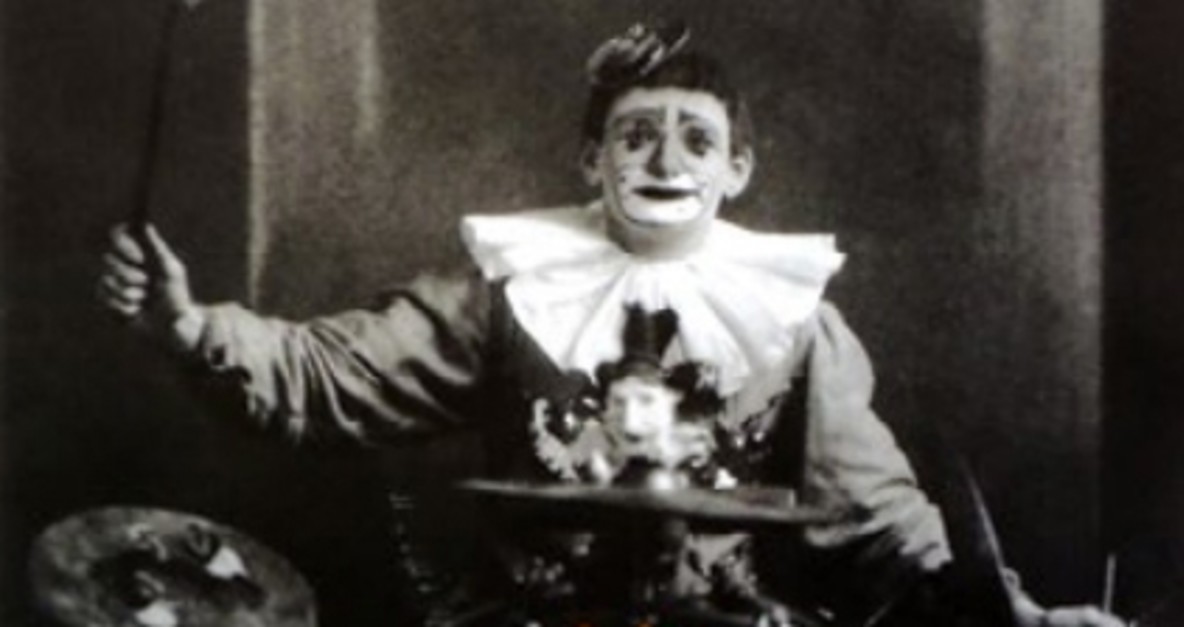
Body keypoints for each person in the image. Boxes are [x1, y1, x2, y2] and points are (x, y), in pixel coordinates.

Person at [98, 21, 1123, 627]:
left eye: (696, 141)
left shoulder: (795, 323)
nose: (665, 161)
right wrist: (188, 325)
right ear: (592, 160)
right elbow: (330, 373)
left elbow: (877, 519)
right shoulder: (503, 289)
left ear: (736, 170)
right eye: (636, 136)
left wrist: (1008, 612)